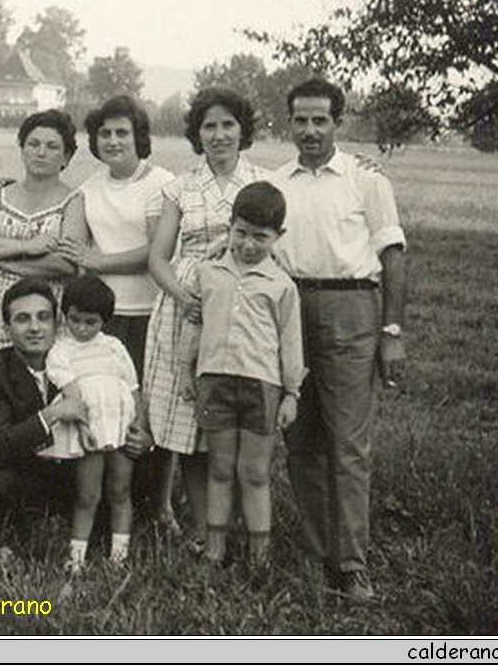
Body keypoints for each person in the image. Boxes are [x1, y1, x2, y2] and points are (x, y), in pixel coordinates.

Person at [271, 78, 406, 602]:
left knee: (348, 443)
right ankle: (315, 549)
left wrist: (391, 331)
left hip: (352, 307)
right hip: (290, 308)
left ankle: (351, 564)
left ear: (337, 123)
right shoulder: (276, 181)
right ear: (289, 123)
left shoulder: (365, 178)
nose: (309, 130)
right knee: (300, 438)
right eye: (300, 120)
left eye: (319, 120)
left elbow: (393, 256)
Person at [143, 87, 270, 548]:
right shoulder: (180, 187)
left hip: (241, 308)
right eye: (209, 126)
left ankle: (241, 527)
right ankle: (203, 529)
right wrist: (183, 296)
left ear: (242, 130)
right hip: (185, 307)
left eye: (227, 125)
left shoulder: (262, 183)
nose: (219, 135)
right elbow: (158, 257)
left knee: (234, 420)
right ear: (198, 134)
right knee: (191, 425)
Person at [187, 182, 304, 569]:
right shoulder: (208, 272)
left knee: (253, 472)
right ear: (229, 226)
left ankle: (260, 558)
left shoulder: (281, 285)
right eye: (240, 233)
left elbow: (290, 342)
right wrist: (190, 370)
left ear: (278, 237)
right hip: (214, 381)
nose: (249, 244)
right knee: (220, 468)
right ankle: (215, 550)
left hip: (261, 386)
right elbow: (194, 325)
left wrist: (291, 393)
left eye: (261, 236)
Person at [40, 275, 147, 573]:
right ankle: (76, 558)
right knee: (88, 494)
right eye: (75, 320)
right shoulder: (61, 351)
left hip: (120, 425)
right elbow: (72, 393)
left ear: (104, 321)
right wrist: (85, 426)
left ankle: (119, 556)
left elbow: (133, 388)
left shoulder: (114, 347)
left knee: (120, 489)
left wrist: (136, 425)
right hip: (87, 427)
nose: (82, 329)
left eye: (91, 322)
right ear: (65, 316)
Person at [64, 95, 175, 378]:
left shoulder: (162, 183)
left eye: (121, 133)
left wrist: (101, 263)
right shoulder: (89, 187)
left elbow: (157, 252)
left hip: (148, 310)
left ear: (138, 136)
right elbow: (77, 249)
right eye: (105, 134)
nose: (113, 141)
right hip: (103, 314)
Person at [0, 109, 84, 364]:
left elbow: (65, 263)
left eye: (52, 146)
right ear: (22, 149)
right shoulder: (0, 195)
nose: (41, 152)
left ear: (66, 156)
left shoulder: (73, 201)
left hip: (44, 324)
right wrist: (27, 246)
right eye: (33, 144)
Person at [0, 277, 88, 520]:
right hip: (27, 474)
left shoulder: (79, 360)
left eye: (43, 317)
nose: (35, 328)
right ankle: (15, 534)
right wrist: (52, 414)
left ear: (57, 324)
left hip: (79, 467)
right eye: (23, 319)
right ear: (6, 328)